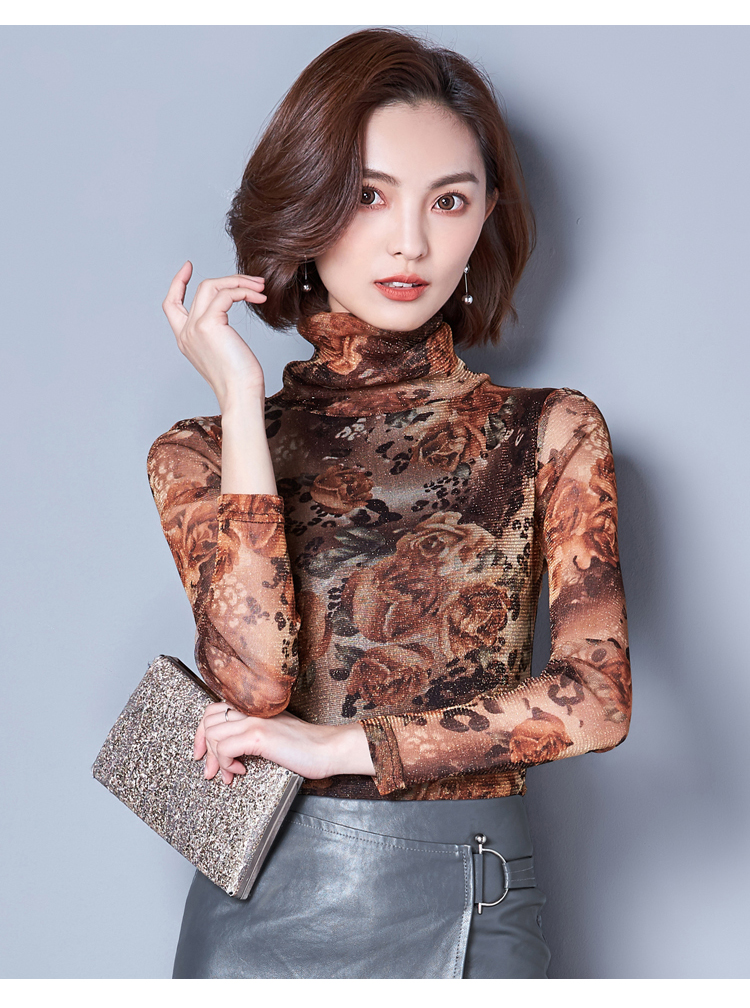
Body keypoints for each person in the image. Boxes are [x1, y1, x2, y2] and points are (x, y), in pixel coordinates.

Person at [147, 28, 632, 980]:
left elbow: (598, 701)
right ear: (307, 203)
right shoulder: (199, 450)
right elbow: (254, 689)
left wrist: (343, 746)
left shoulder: (549, 430)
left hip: (467, 892)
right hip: (254, 902)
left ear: (486, 218)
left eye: (449, 200)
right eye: (369, 195)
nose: (411, 240)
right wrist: (241, 405)